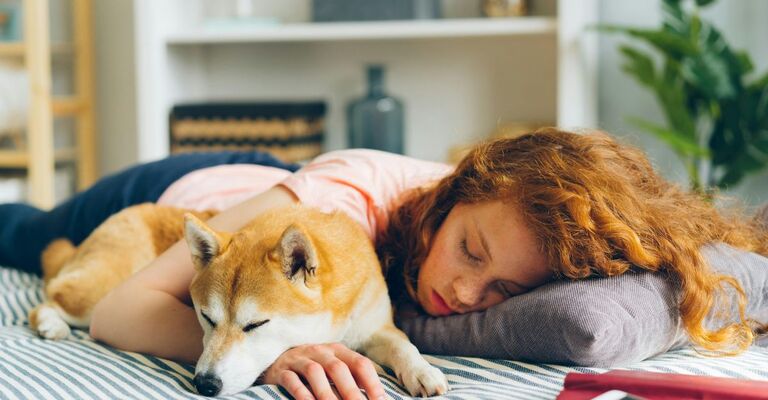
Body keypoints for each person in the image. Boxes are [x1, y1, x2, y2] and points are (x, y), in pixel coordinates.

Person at [1, 128, 766, 400]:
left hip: (284, 209)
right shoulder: (352, 191)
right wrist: (267, 356)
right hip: (183, 196)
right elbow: (117, 311)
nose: (462, 291)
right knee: (24, 229)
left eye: (501, 290)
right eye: (469, 249)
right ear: (455, 193)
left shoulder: (515, 239)